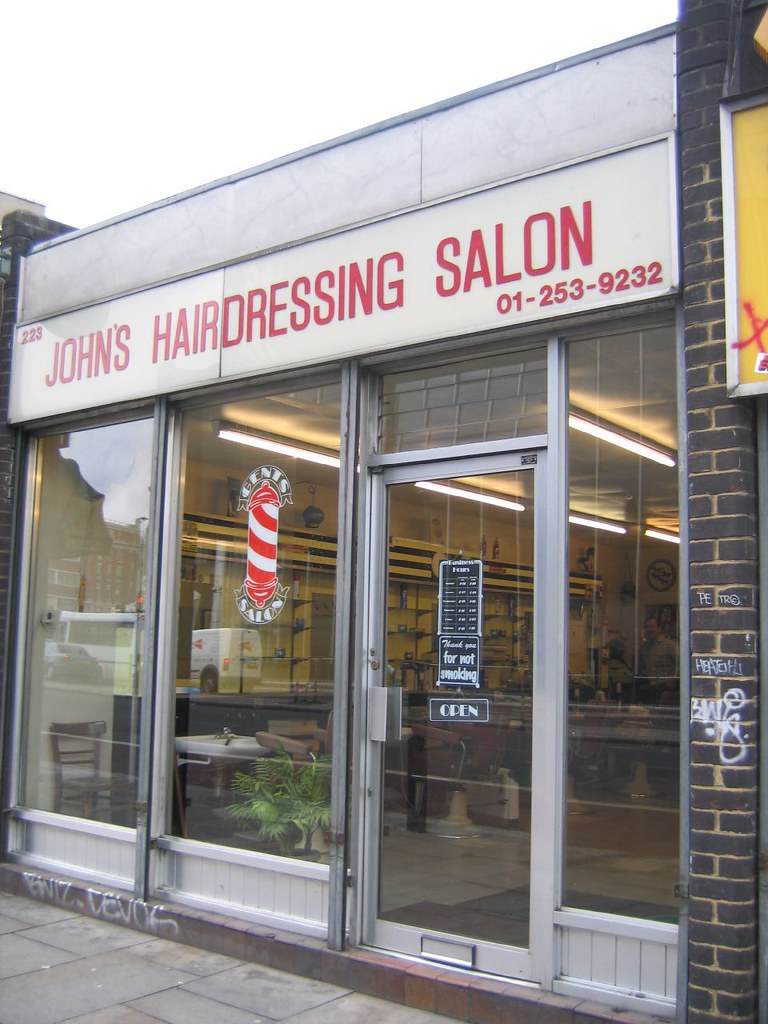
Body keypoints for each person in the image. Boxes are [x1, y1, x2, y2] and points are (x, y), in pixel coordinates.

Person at [636, 615, 678, 704]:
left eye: (652, 627)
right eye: (647, 627)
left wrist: (673, 678)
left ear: (658, 629)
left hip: (665, 687)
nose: (649, 630)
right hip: (650, 685)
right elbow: (640, 667)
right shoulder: (644, 647)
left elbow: (682, 663)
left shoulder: (670, 645)